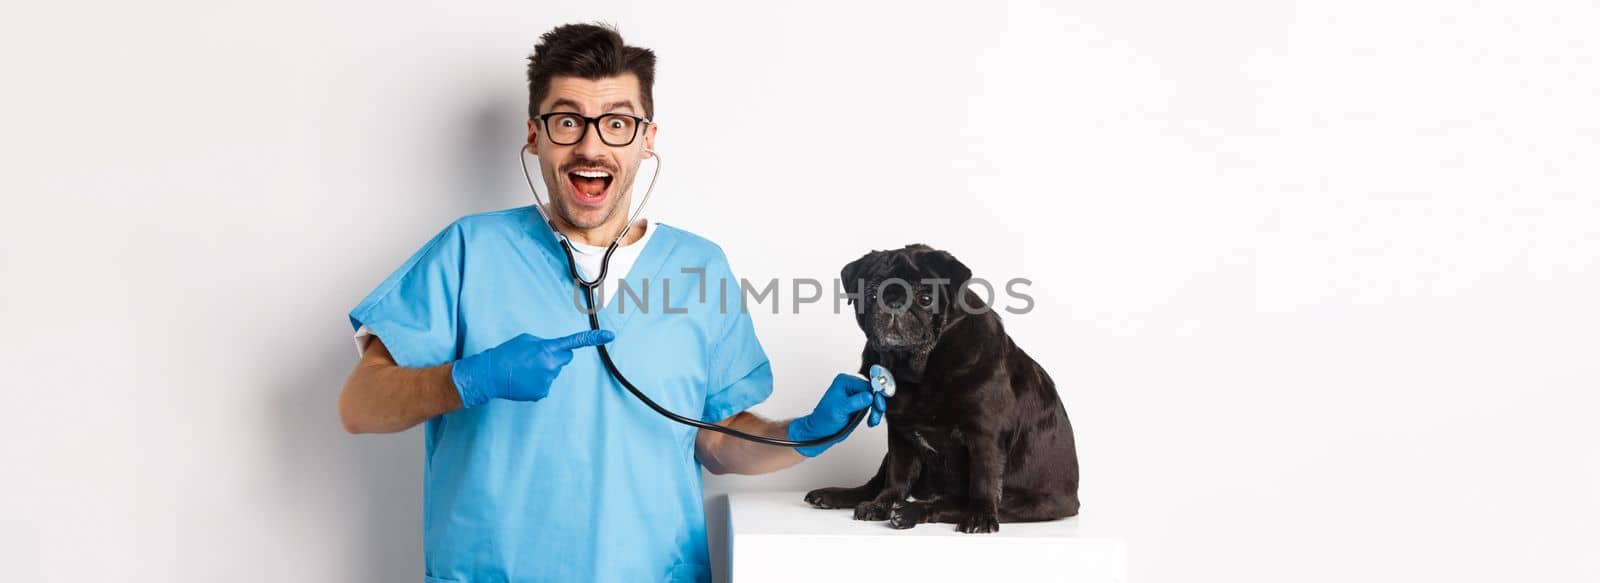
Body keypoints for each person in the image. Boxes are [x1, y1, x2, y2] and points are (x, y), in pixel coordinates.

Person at [336, 22, 884, 583]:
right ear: (535, 135)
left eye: (617, 123)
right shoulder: (468, 250)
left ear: (647, 139)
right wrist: (469, 378)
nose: (591, 146)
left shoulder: (698, 269)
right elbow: (359, 405)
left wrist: (808, 432)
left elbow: (716, 441)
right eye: (568, 121)